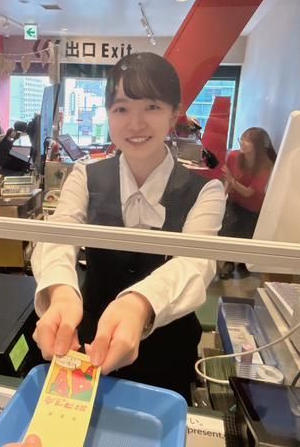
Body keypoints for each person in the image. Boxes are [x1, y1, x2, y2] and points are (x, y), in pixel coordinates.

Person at [31, 53, 225, 402]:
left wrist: (138, 305)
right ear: (108, 114)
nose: (135, 124)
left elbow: (196, 263)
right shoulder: (85, 175)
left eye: (151, 107)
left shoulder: (206, 191)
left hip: (168, 356)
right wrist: (60, 291)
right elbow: (58, 234)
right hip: (88, 346)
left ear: (174, 114)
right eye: (121, 109)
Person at [219, 127, 276, 279]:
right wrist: (222, 197)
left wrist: (232, 181)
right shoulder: (233, 156)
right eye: (242, 138)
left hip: (253, 207)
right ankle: (229, 263)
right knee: (228, 232)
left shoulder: (266, 166)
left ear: (257, 146)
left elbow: (248, 192)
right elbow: (227, 180)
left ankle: (243, 263)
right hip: (234, 201)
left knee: (247, 237)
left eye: (248, 140)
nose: (243, 142)